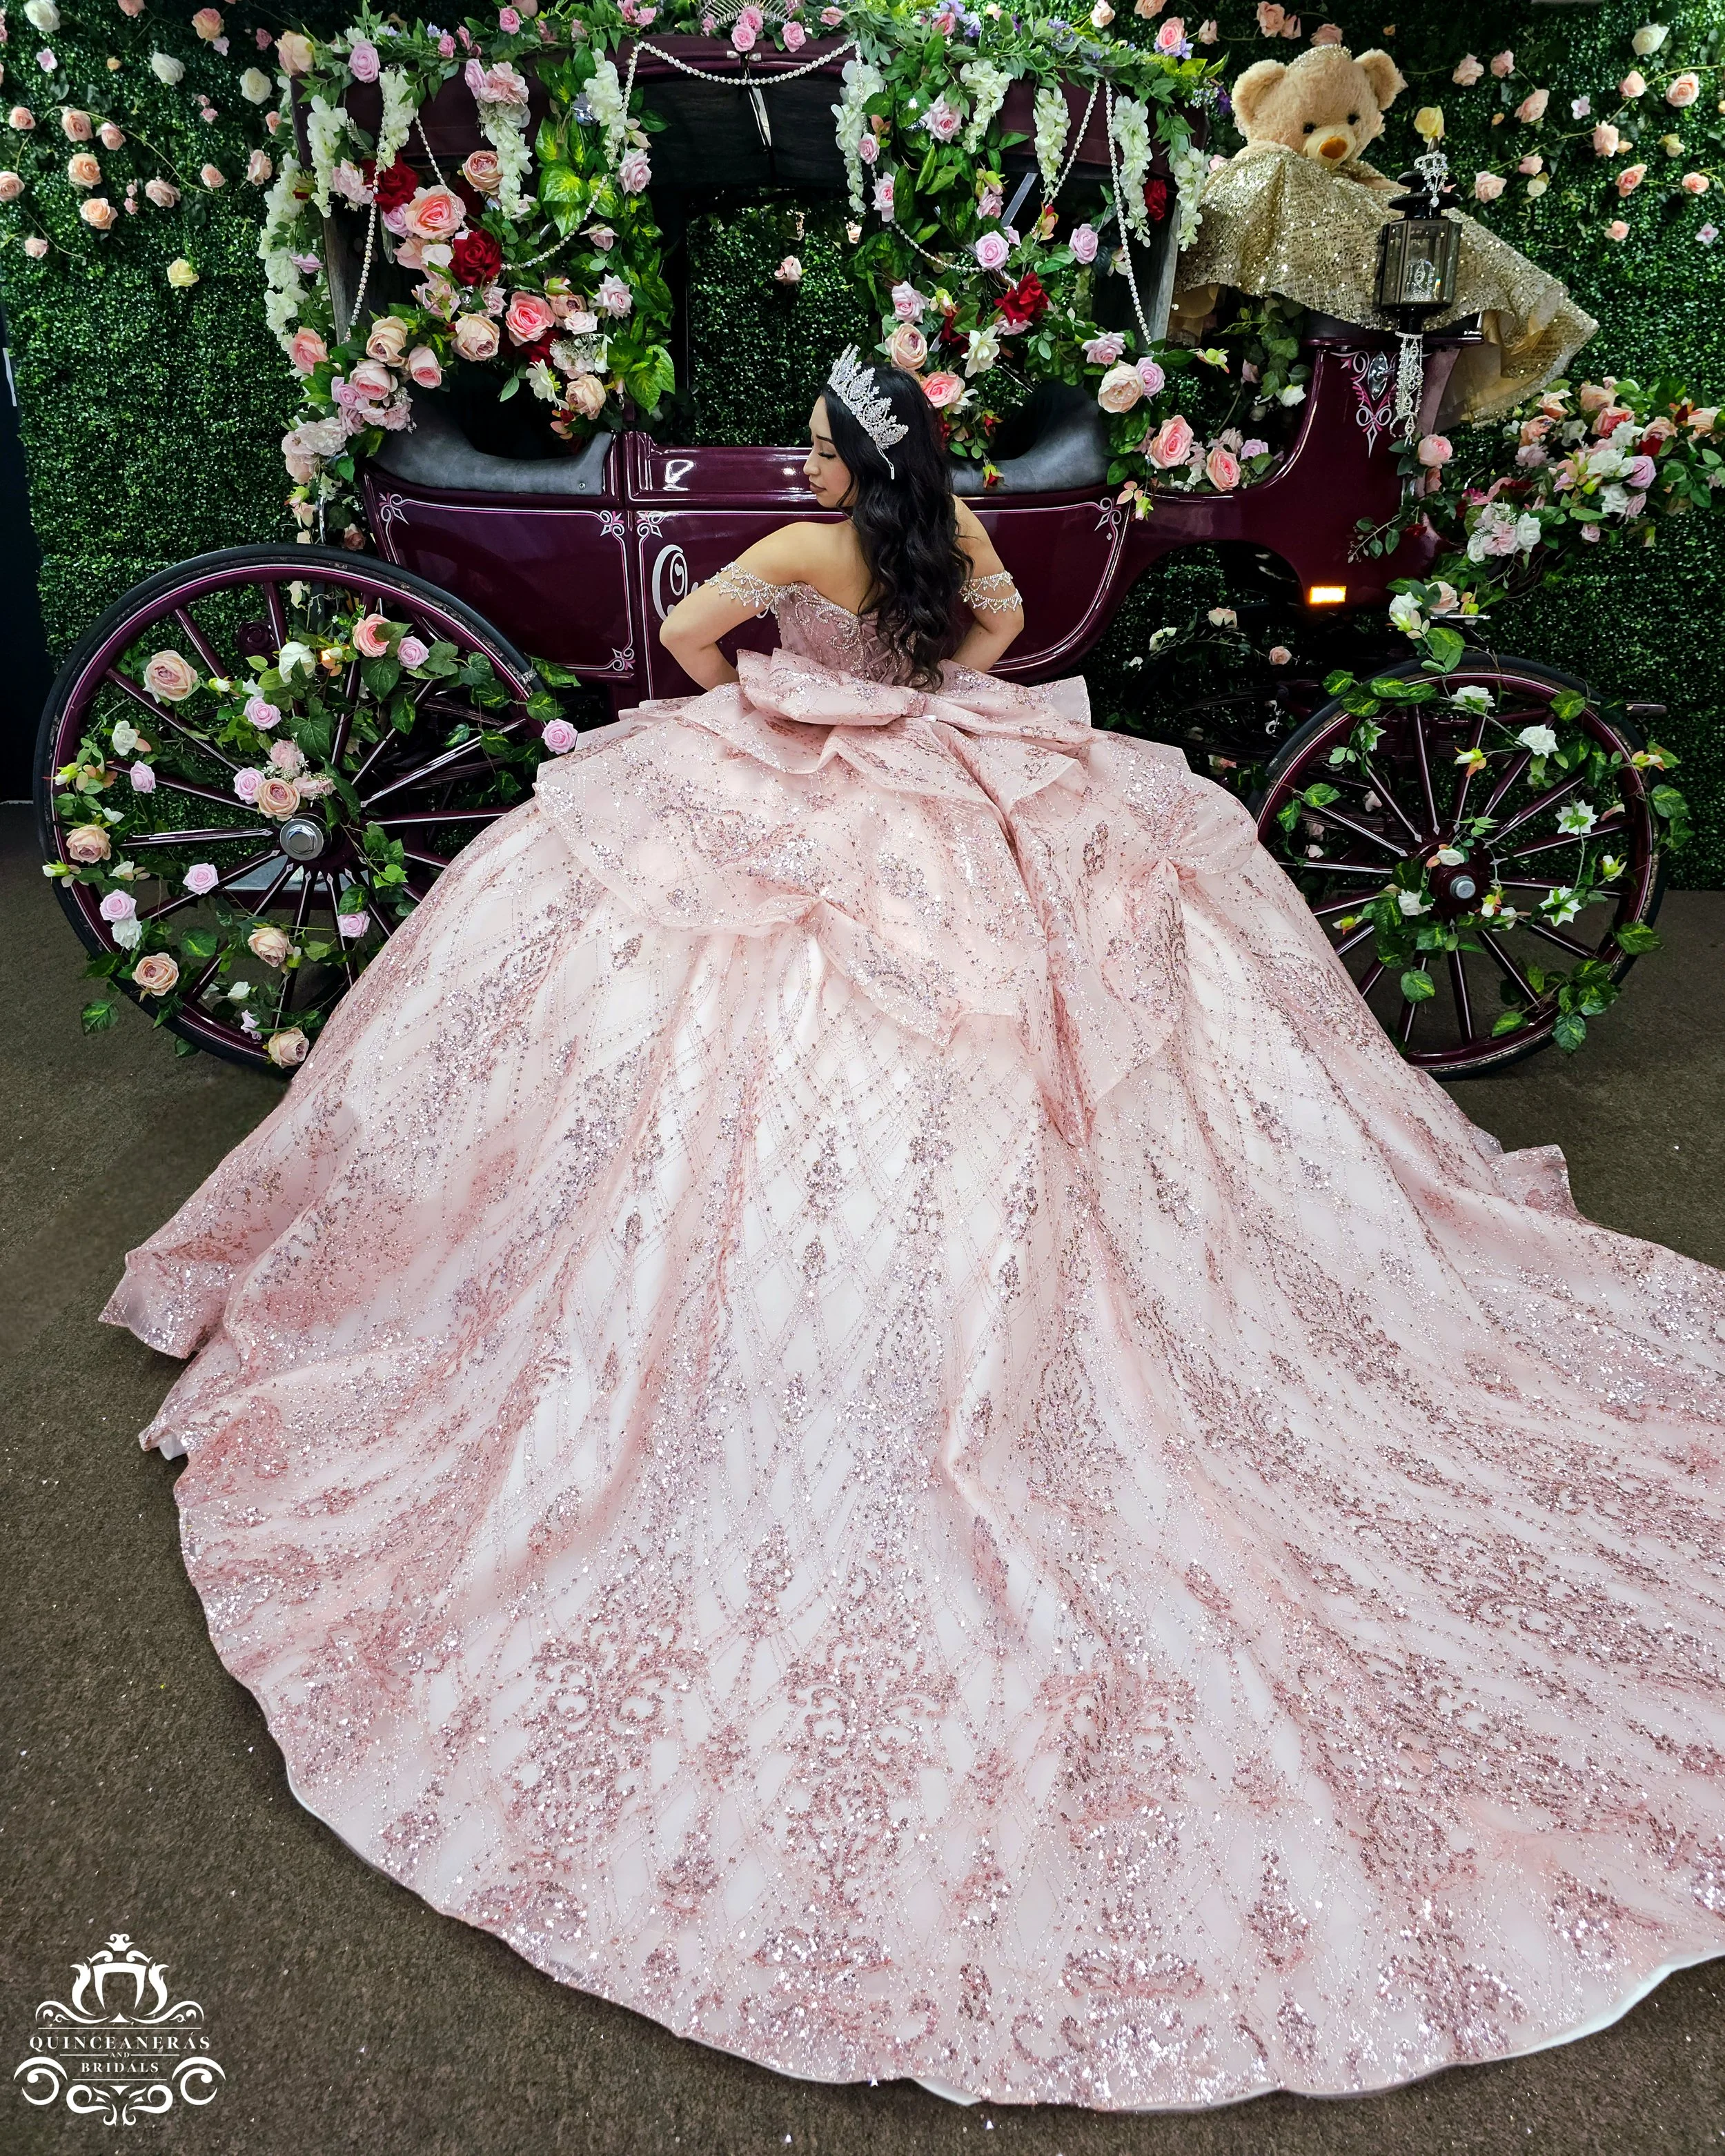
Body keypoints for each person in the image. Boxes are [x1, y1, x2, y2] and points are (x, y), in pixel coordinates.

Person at [103, 349, 1725, 2113]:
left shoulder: (802, 561)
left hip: (824, 779)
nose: (797, 462)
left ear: (838, 463)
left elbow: (689, 650)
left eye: (809, 445)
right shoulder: (945, 528)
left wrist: (797, 706)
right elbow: (999, 637)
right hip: (969, 776)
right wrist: (905, 692)